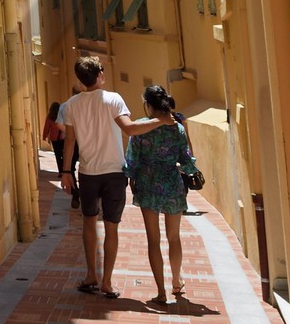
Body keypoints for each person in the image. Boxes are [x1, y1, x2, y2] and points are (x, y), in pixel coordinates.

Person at [59, 56, 171, 300]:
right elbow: (130, 129)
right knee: (111, 227)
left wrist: (66, 172)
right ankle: (107, 282)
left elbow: (70, 141)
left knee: (88, 223)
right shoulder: (113, 99)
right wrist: (159, 121)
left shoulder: (71, 105)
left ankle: (91, 275)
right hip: (113, 173)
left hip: (87, 172)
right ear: (99, 74)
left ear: (80, 79)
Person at [124, 85, 198, 306]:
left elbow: (132, 159)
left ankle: (161, 291)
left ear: (148, 105)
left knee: (153, 239)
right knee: (174, 237)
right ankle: (176, 281)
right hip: (172, 183)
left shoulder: (140, 127)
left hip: (147, 183)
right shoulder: (177, 127)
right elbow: (187, 159)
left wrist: (132, 177)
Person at [42, 102, 65, 178]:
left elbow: (47, 127)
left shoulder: (50, 117)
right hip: (63, 138)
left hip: (54, 139)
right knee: (64, 154)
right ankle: (66, 170)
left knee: (58, 155)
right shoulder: (62, 115)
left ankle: (60, 172)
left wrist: (44, 136)